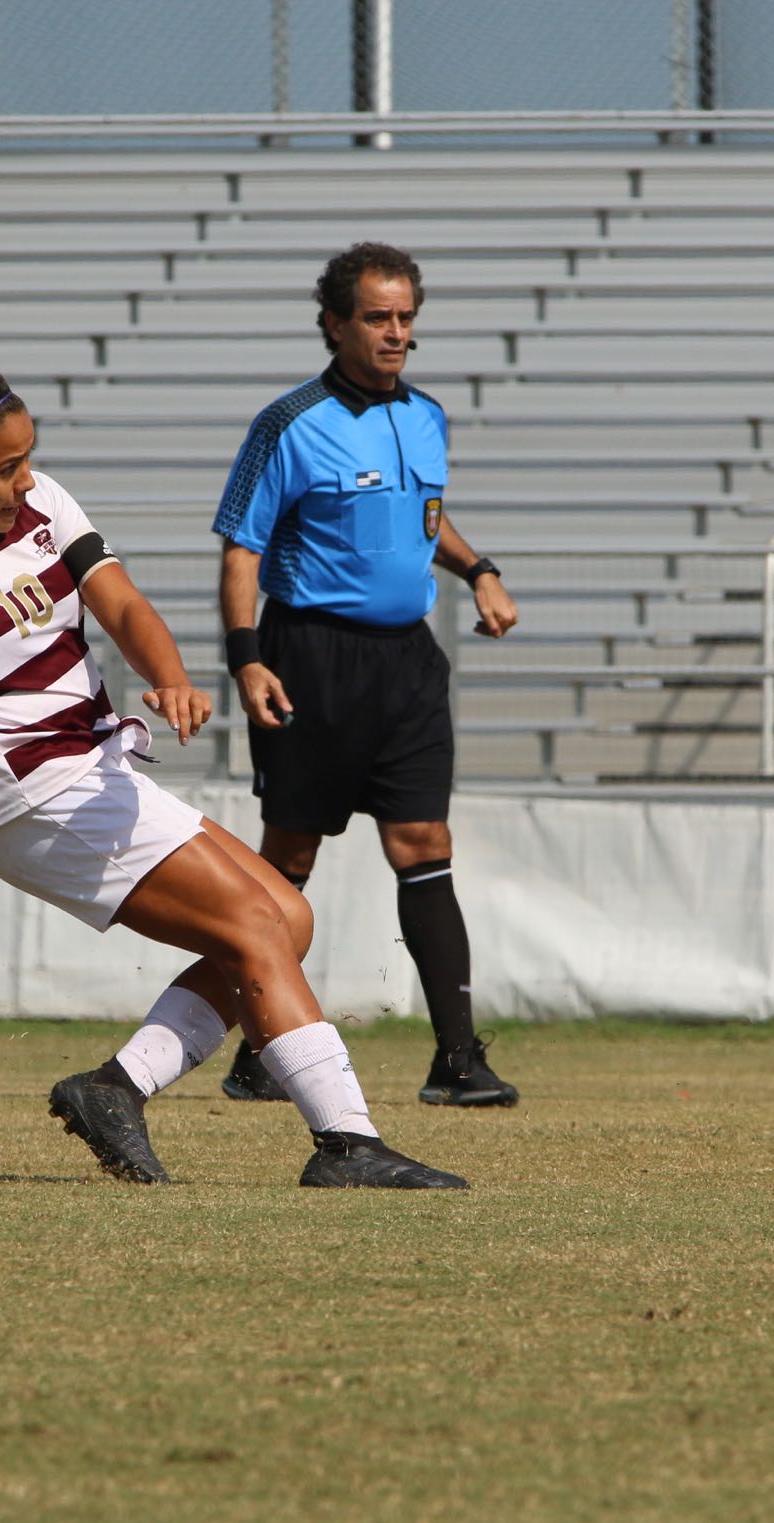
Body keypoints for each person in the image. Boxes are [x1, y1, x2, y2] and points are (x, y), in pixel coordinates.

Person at [0, 346, 466, 1189]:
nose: (26, 483)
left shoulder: (40, 507)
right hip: (30, 799)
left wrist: (168, 674)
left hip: (95, 771)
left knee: (286, 918)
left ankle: (115, 1089)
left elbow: (122, 600)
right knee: (255, 927)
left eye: (29, 460)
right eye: (7, 468)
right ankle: (347, 1144)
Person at [211, 242, 521, 1109]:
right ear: (335, 323)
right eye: (378, 317)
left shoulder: (425, 415)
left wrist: (479, 569)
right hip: (310, 658)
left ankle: (456, 1062)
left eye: (406, 317)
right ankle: (257, 1049)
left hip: (406, 663)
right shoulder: (289, 423)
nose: (395, 333)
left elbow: (425, 516)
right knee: (290, 855)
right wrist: (247, 659)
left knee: (424, 845)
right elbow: (243, 546)